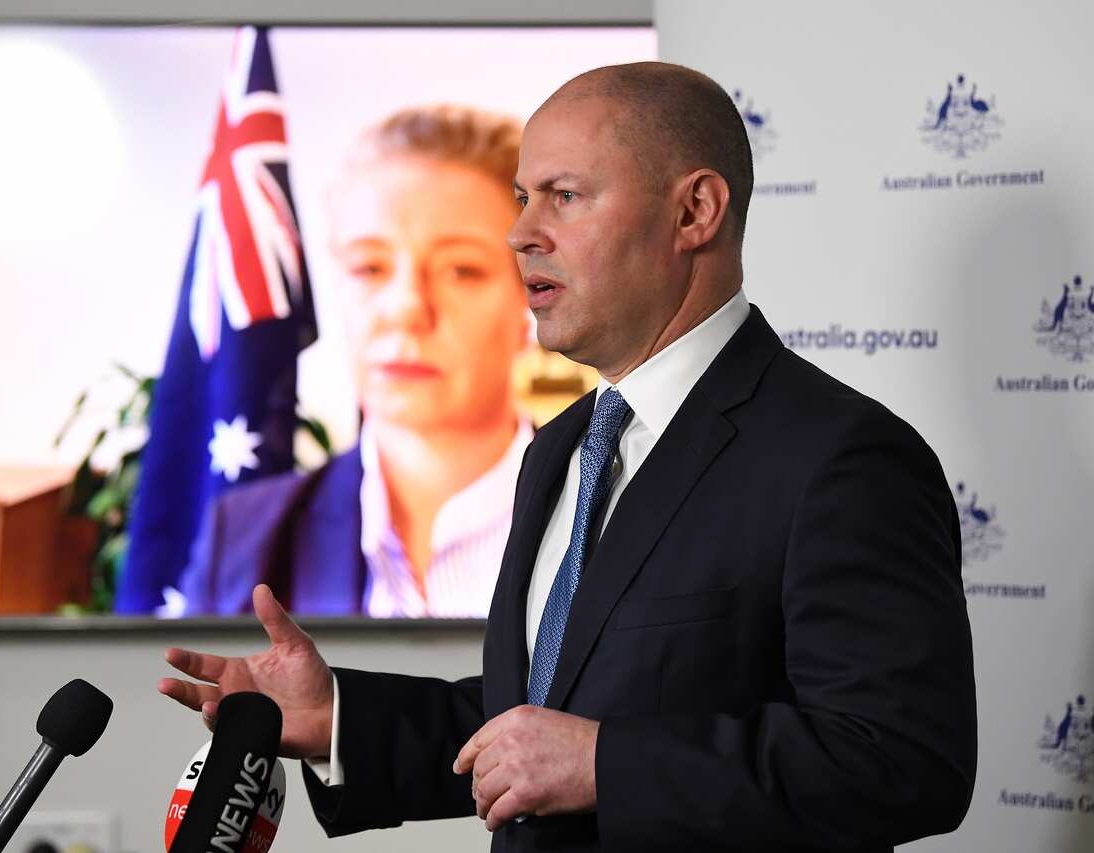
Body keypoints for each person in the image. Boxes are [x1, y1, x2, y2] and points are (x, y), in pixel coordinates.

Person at [159, 62, 977, 852]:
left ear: (694, 212)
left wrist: (604, 764)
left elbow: (904, 759)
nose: (520, 233)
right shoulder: (562, 447)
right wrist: (338, 716)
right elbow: (544, 716)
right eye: (522, 198)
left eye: (564, 197)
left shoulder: (842, 458)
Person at [179, 105, 533, 617]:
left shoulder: (625, 522)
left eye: (462, 270)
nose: (406, 308)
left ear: (535, 297)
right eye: (369, 267)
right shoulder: (242, 539)